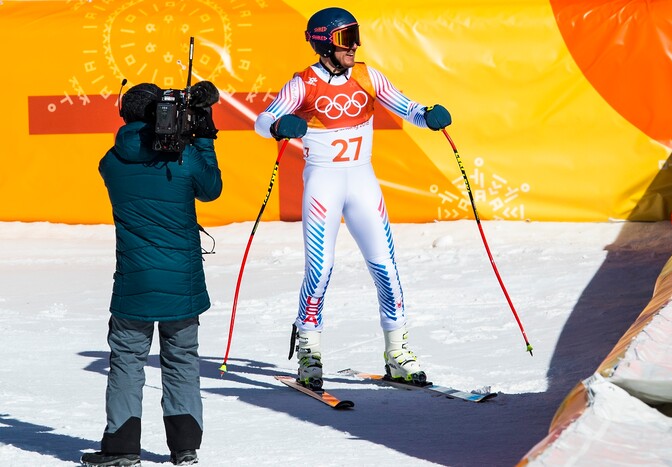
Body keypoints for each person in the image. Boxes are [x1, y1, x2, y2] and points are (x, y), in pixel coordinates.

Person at [254, 7, 452, 391]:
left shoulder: (366, 75)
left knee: (386, 267)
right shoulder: (303, 83)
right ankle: (309, 352)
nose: (355, 45)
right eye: (347, 38)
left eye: (356, 35)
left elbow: (408, 108)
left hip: (363, 182)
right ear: (324, 44)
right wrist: (279, 124)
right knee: (321, 270)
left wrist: (428, 116)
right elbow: (263, 121)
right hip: (323, 187)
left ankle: (398, 352)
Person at [81, 82, 222, 467]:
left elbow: (133, 153)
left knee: (127, 361)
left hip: (134, 282)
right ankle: (185, 449)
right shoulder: (186, 157)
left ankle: (122, 449)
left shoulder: (111, 162)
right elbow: (211, 189)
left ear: (125, 116)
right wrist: (203, 137)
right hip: (183, 282)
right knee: (182, 361)